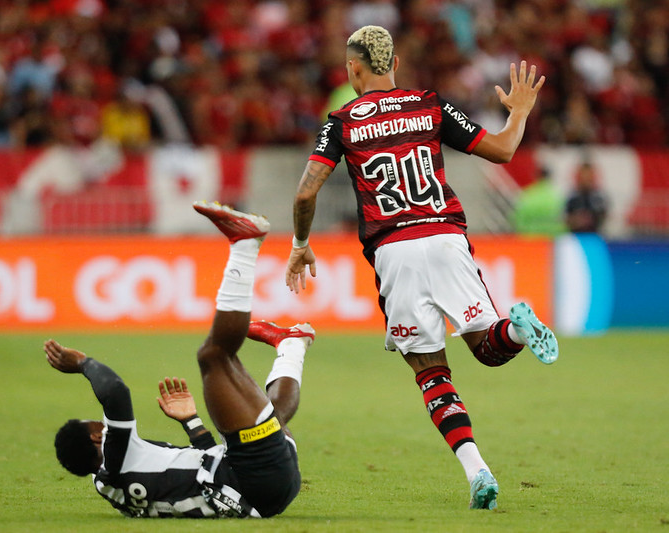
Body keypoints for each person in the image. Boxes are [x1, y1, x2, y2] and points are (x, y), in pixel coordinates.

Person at [285, 25, 558, 510]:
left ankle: (478, 473)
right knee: (490, 349)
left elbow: (306, 192)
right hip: (447, 237)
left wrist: (301, 244)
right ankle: (516, 330)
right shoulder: (429, 103)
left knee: (431, 372)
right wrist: (518, 112)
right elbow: (502, 150)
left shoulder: (342, 120)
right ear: (394, 65)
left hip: (396, 250)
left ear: (353, 69)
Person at [46, 201, 315, 518]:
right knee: (212, 356)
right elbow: (116, 393)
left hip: (266, 492)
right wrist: (82, 364)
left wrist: (191, 422)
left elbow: (196, 472)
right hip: (255, 478)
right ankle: (244, 244)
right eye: (95, 424)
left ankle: (292, 345)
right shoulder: (115, 454)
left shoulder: (109, 486)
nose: (102, 424)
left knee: (268, 423)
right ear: (94, 436)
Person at [511, 166, 566, 236]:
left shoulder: (527, 194)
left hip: (530, 238)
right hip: (552, 238)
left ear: (536, 176)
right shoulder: (558, 195)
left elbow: (517, 217)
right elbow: (563, 218)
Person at [565, 160, 607, 233]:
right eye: (584, 175)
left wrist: (591, 219)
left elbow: (603, 218)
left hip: (594, 237)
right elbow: (567, 219)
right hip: (576, 237)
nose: (586, 179)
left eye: (588, 176)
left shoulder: (599, 199)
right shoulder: (573, 199)